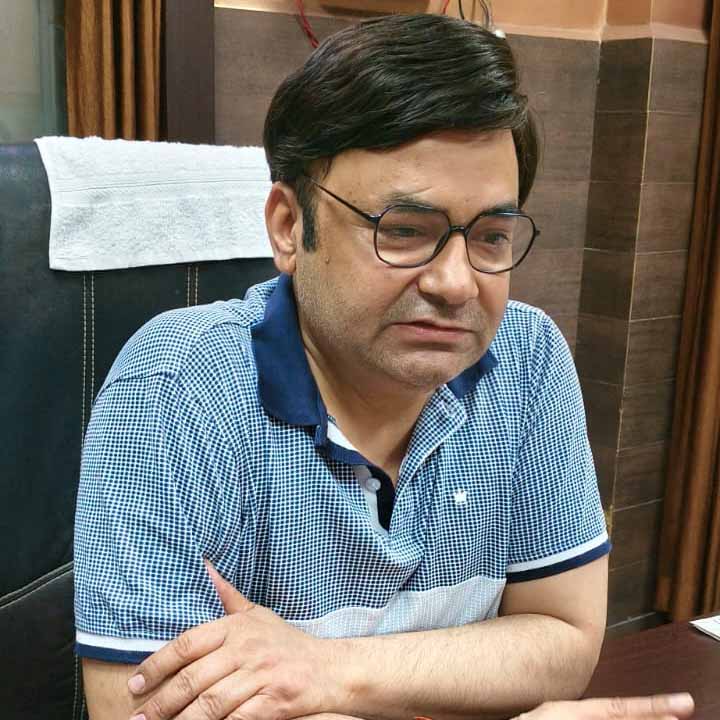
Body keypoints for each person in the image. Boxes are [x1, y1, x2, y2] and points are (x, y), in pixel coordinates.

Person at [74, 12, 692, 720]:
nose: (456, 283)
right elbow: (142, 710)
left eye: (491, 237)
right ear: (288, 227)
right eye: (403, 231)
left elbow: (565, 637)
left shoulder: (527, 359)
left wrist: (325, 671)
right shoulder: (176, 389)